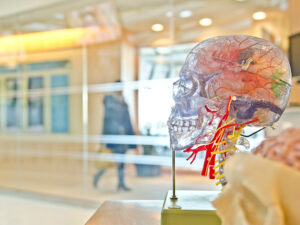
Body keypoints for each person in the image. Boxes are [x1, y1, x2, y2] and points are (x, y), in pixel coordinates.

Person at [93, 83, 136, 191]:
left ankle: (121, 183)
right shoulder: (110, 100)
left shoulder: (123, 101)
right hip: (113, 137)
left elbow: (127, 120)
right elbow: (107, 120)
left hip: (123, 138)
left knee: (121, 162)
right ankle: (97, 176)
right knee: (109, 161)